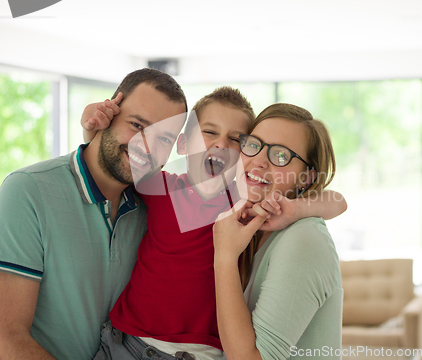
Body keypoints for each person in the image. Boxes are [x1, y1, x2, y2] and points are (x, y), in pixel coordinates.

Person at [81, 89, 347, 360]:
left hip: (198, 353)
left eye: (236, 139)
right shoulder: (162, 186)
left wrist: (296, 209)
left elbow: (338, 201)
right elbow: (115, 163)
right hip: (126, 340)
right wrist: (92, 132)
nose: (221, 145)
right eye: (209, 132)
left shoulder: (243, 200)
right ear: (183, 144)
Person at [0, 68, 188, 360]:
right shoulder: (27, 191)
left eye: (163, 139)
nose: (146, 146)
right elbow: (7, 338)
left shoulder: (154, 206)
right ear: (108, 112)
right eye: (138, 125)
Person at [213, 103, 343, 360]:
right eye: (253, 145)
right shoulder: (249, 224)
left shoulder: (303, 239)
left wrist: (225, 257)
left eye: (281, 156)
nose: (258, 161)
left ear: (306, 178)